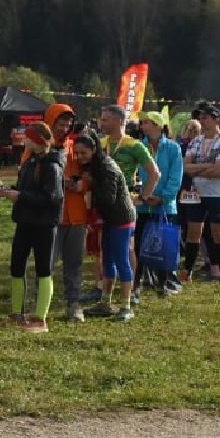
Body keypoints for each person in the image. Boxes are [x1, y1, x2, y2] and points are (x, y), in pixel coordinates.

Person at [0, 121, 62, 332]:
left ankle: (40, 318)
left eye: (28, 137)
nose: (24, 140)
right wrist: (9, 192)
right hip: (25, 221)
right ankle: (17, 313)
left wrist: (21, 196)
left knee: (43, 268)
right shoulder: (29, 162)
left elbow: (52, 198)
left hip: (44, 225)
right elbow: (26, 189)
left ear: (37, 141)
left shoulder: (52, 166)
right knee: (17, 266)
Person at [96, 105, 159, 302]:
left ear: (119, 121)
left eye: (106, 119)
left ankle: (130, 290)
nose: (101, 123)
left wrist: (142, 198)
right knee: (103, 247)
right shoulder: (100, 143)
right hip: (104, 204)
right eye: (101, 119)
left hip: (125, 205)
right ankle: (104, 288)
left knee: (127, 248)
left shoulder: (134, 145)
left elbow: (154, 173)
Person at [75, 131, 138, 321]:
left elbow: (108, 199)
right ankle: (105, 302)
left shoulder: (107, 167)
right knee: (107, 260)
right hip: (109, 220)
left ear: (94, 150)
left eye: (83, 153)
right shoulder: (94, 166)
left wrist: (92, 183)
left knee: (121, 259)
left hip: (121, 219)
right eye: (77, 153)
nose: (80, 157)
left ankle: (126, 306)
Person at [41, 103, 91, 322]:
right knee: (47, 264)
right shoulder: (38, 145)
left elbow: (88, 176)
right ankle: (42, 305)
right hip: (51, 216)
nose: (64, 128)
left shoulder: (75, 147)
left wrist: (79, 185)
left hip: (76, 215)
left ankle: (74, 304)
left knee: (74, 263)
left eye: (67, 124)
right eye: (60, 124)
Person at [179, 103, 220, 287]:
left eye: (205, 118)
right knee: (193, 232)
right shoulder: (196, 141)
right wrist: (207, 167)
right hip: (197, 192)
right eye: (200, 118)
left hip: (218, 194)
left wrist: (197, 168)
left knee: (218, 233)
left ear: (216, 119)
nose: (202, 121)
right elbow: (185, 167)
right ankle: (187, 272)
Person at [135, 112, 183, 296]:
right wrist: (143, 195)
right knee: (139, 244)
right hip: (143, 204)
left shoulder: (173, 148)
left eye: (145, 122)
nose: (142, 126)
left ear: (157, 125)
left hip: (165, 205)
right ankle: (137, 282)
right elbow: (137, 174)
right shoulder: (140, 147)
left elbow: (175, 176)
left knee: (163, 244)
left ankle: (164, 283)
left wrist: (164, 197)